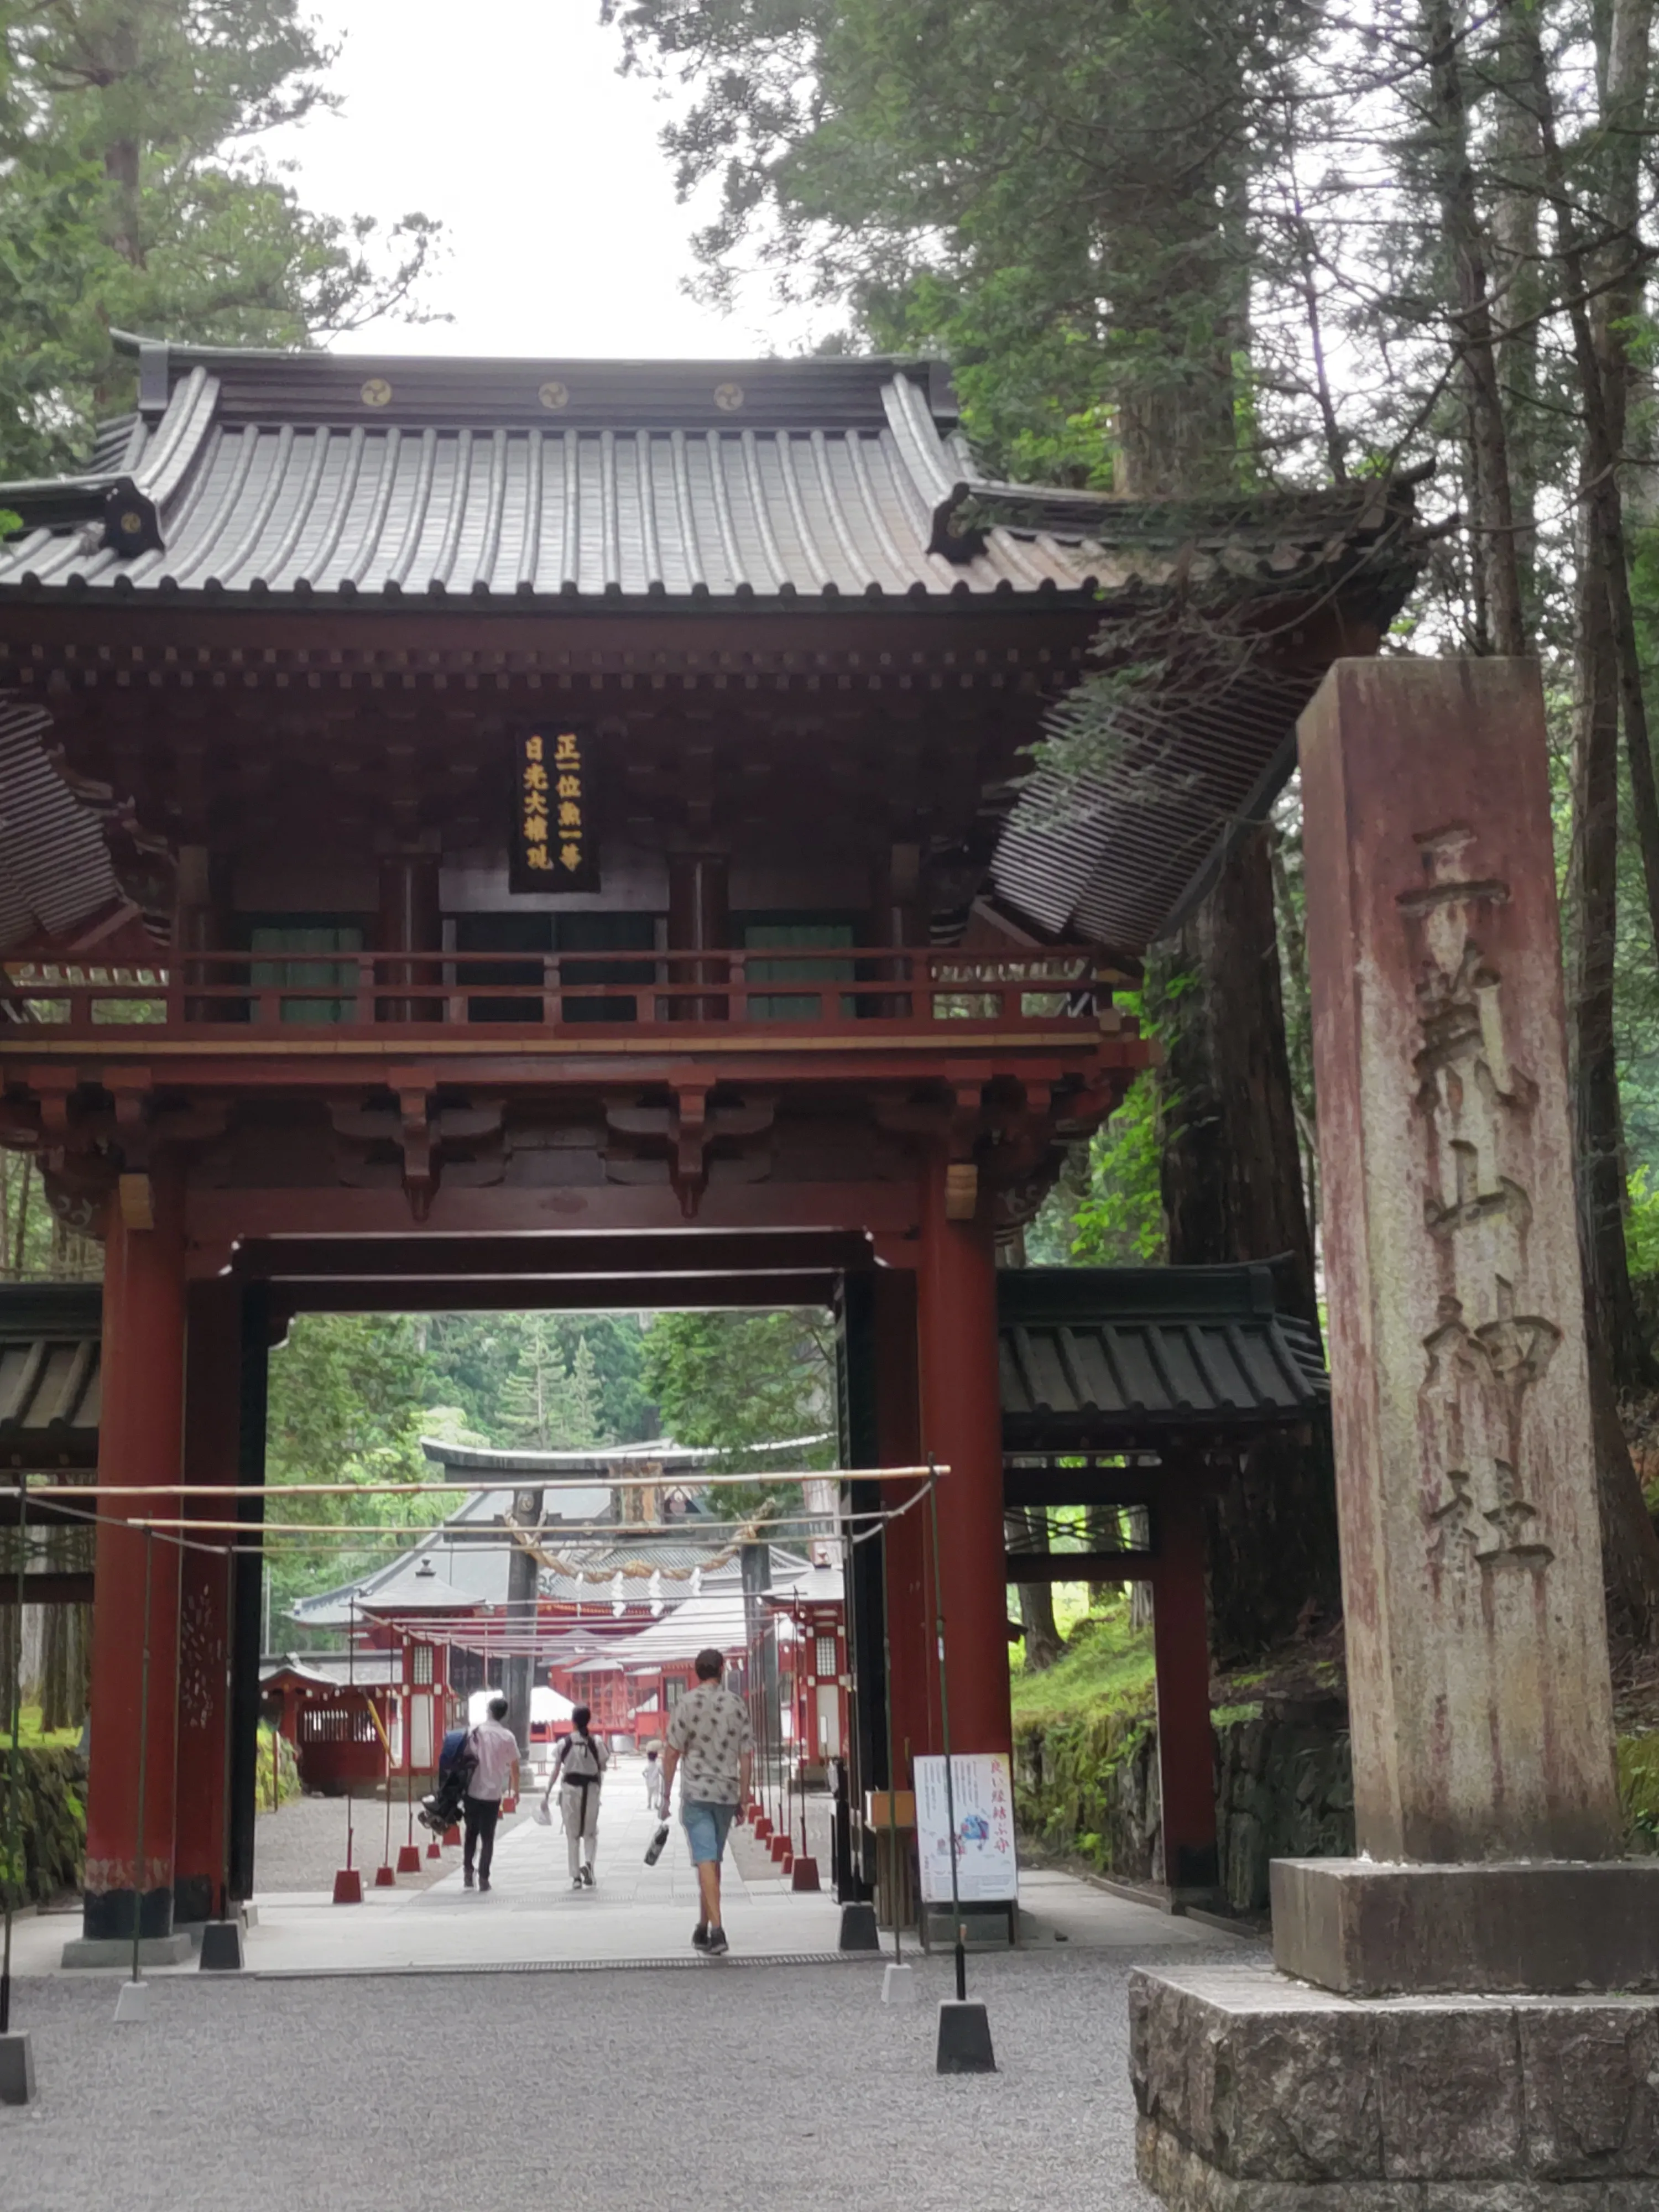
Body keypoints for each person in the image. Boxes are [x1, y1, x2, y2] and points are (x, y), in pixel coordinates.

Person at [660, 1646, 752, 1957]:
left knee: (705, 1860)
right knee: (711, 1860)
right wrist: (745, 1795)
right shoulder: (737, 1704)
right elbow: (746, 1754)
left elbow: (672, 1753)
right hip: (726, 1794)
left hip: (698, 1794)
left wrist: (664, 1796)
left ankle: (718, 1931)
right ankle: (702, 1926)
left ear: (696, 1672)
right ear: (722, 1670)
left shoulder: (685, 1704)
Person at [544, 1705, 608, 1889]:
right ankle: (588, 1864)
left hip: (570, 1790)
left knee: (572, 1835)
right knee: (590, 1832)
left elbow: (557, 1770)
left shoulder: (564, 1743)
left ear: (572, 1721)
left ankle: (576, 1878)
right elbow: (603, 1767)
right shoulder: (596, 1742)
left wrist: (547, 1792)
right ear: (589, 1720)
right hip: (592, 1790)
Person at [462, 1694, 520, 1894]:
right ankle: (484, 1877)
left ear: (488, 1711)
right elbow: (515, 1766)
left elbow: (465, 1757)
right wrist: (515, 1790)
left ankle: (468, 1871)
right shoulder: (508, 1737)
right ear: (503, 1715)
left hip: (472, 1790)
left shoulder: (475, 1732)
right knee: (488, 1837)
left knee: (471, 1833)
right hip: (493, 1793)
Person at [643, 1746, 665, 1817]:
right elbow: (662, 1773)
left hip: (649, 1782)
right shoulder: (658, 1766)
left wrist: (646, 1777)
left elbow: (643, 1772)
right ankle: (655, 1804)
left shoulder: (648, 1766)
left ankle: (649, 1805)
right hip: (656, 1782)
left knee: (649, 1794)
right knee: (656, 1794)